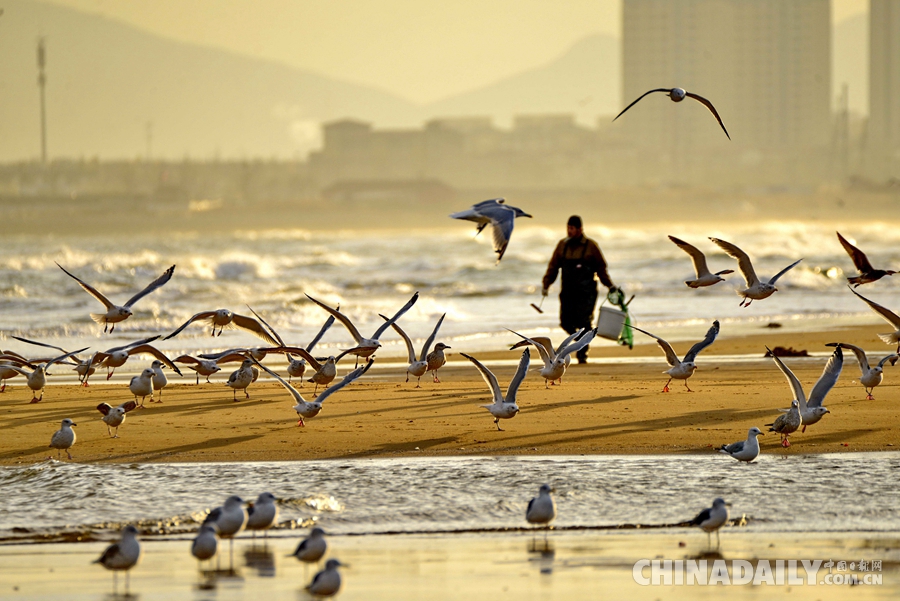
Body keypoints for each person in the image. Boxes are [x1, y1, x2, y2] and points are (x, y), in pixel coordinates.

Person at [541, 215, 617, 363]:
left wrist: (610, 285)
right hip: (568, 292)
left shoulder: (591, 246)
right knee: (565, 322)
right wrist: (546, 284)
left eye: (572, 229)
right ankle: (582, 342)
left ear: (580, 229)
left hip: (586, 293)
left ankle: (582, 353)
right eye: (568, 228)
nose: (569, 231)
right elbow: (553, 267)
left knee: (584, 322)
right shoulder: (562, 245)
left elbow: (602, 269)